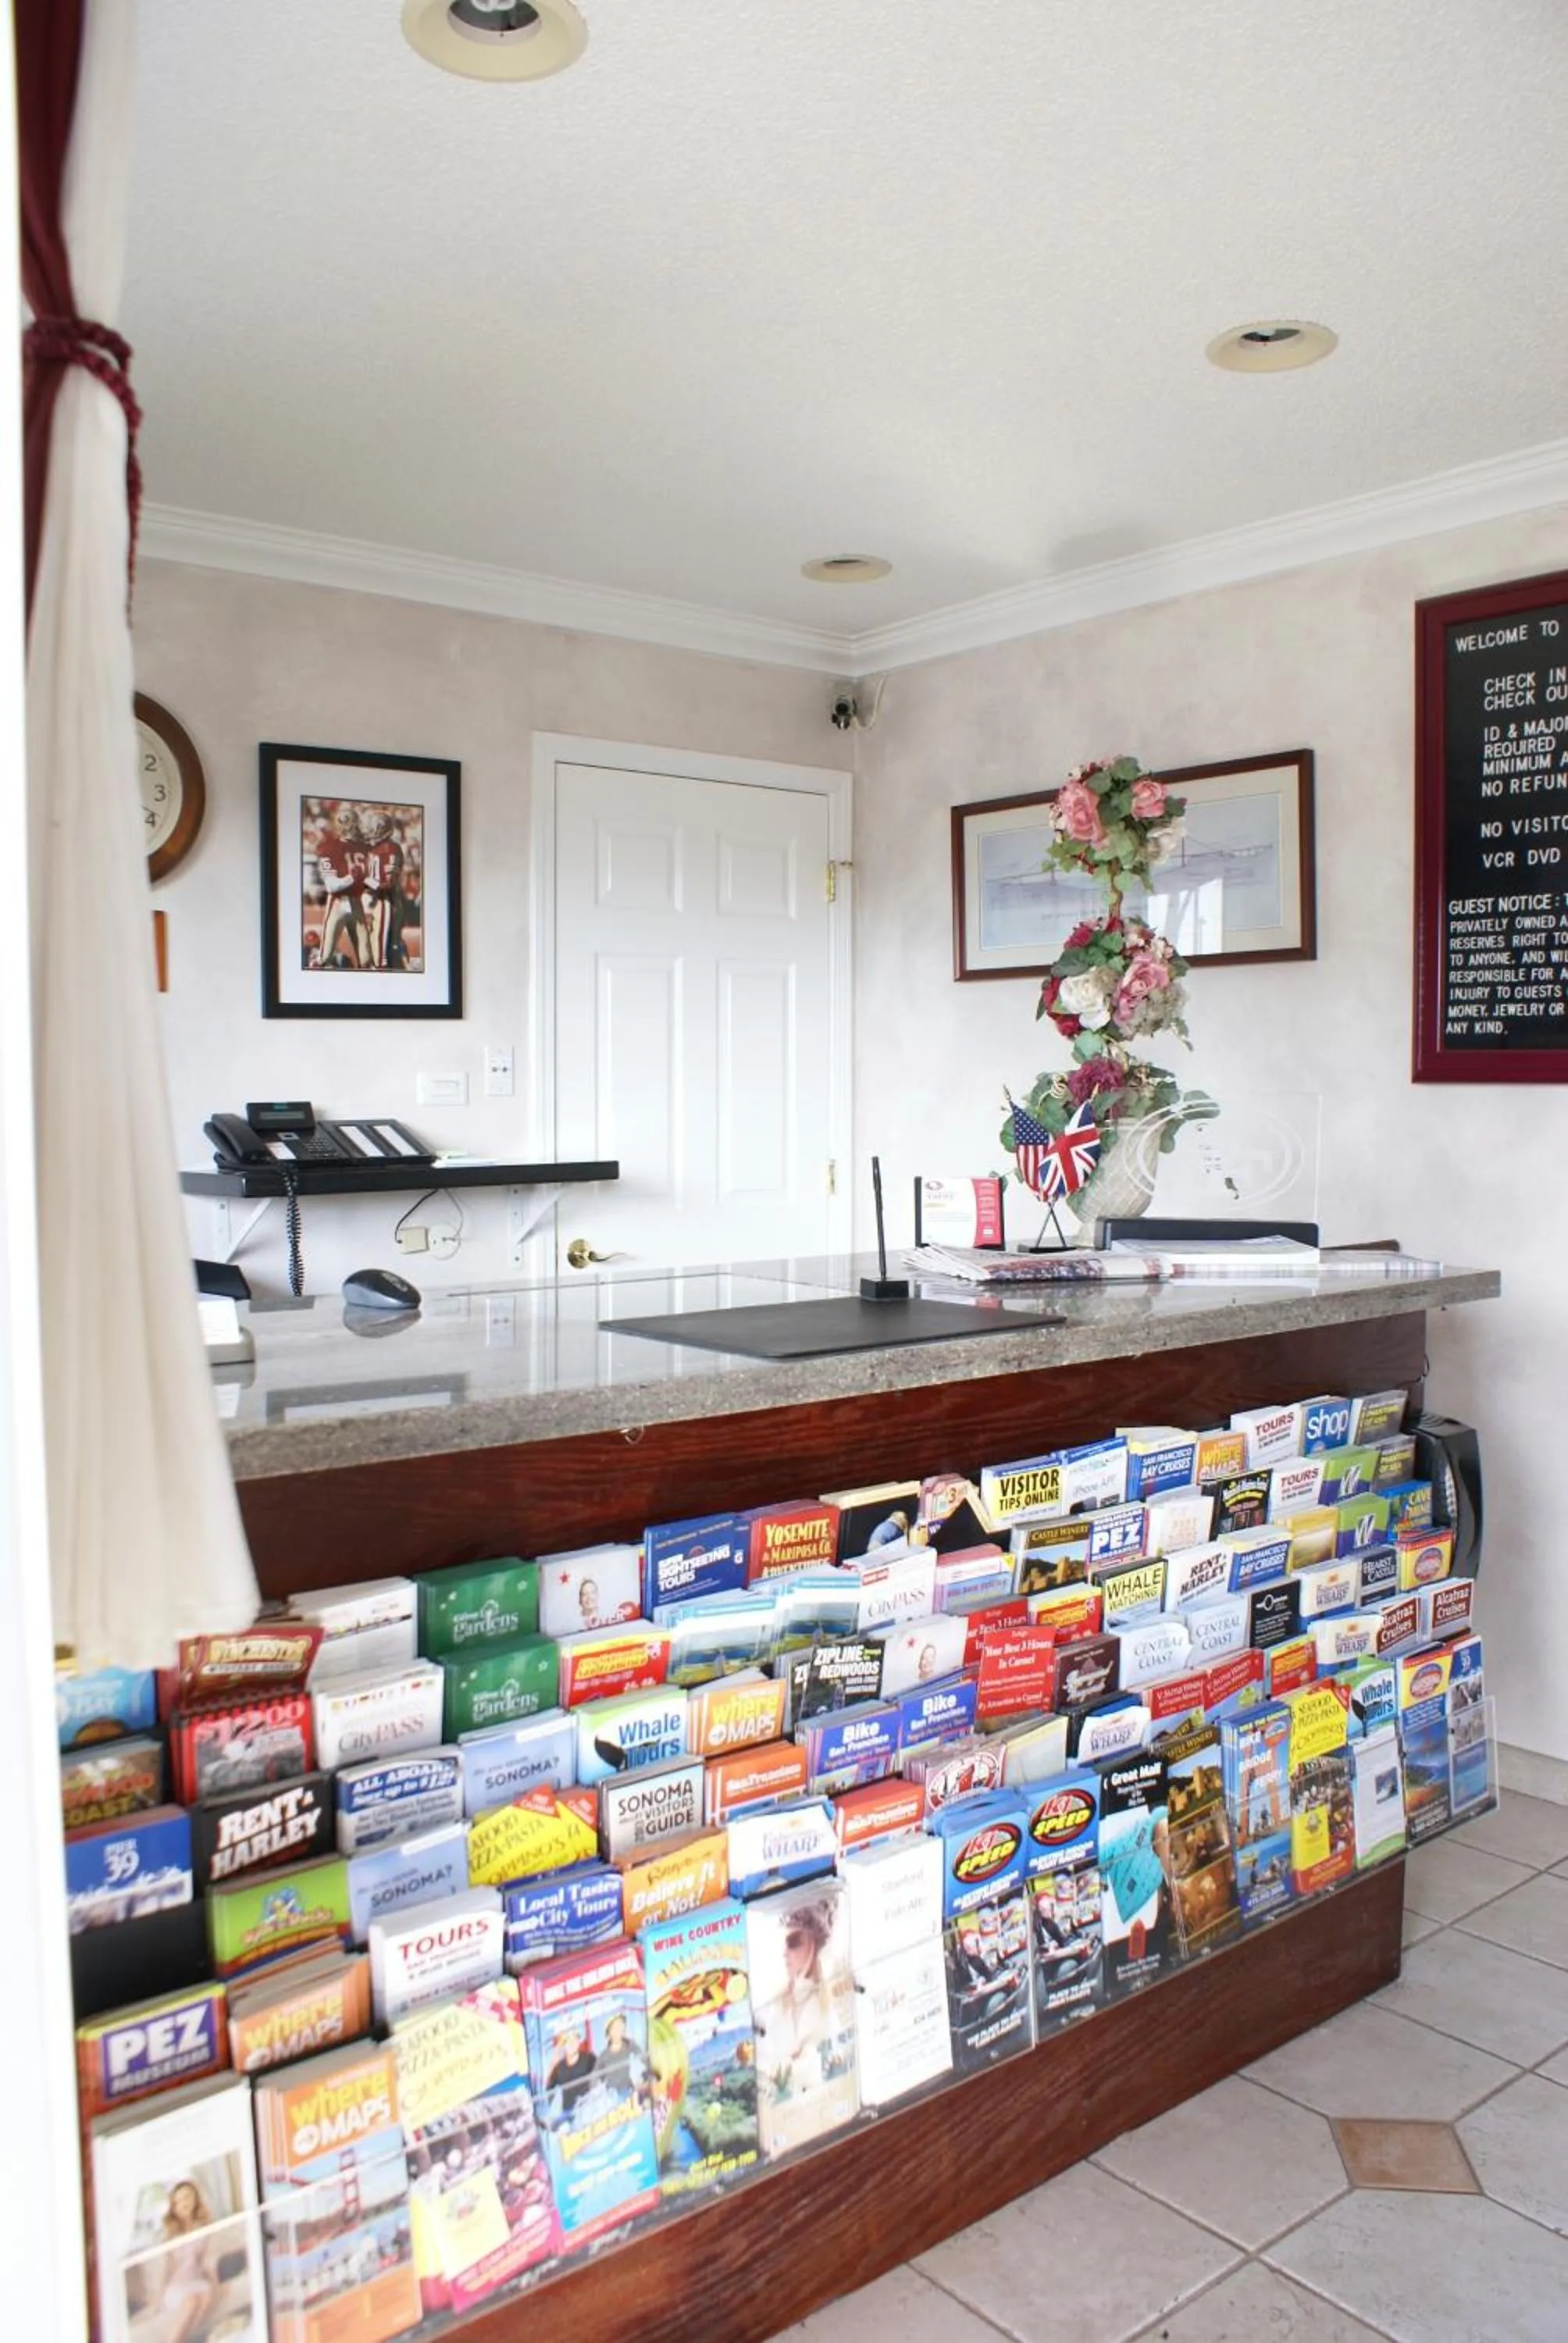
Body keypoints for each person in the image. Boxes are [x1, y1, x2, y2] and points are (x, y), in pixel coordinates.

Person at [148, 2178, 222, 2343]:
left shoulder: (204, 2228)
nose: (184, 2203)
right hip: (177, 2286)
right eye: (179, 2201)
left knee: (207, 2294)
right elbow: (167, 2270)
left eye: (187, 2197)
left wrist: (215, 2283)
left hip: (196, 2279)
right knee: (192, 2301)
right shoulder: (171, 2235)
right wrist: (156, 2302)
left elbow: (208, 2261)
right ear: (173, 2207)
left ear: (195, 2199)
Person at [315, 802, 364, 970]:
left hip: (358, 903)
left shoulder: (364, 847)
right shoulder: (329, 847)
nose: (347, 827)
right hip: (338, 903)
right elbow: (331, 886)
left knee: (366, 959)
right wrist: (352, 878)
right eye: (344, 822)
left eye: (348, 822)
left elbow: (370, 879)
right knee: (324, 956)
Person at [358, 808, 404, 971]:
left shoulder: (391, 849)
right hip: (368, 899)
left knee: (381, 952)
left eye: (370, 827)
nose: (366, 830)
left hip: (385, 900)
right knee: (364, 951)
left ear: (380, 828)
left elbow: (389, 884)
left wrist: (365, 880)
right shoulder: (371, 848)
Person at [543, 2025, 596, 2118]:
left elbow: (604, 2077)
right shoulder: (559, 2068)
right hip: (569, 2115)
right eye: (567, 2040)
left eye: (575, 2039)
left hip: (589, 2110)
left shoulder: (590, 2059)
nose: (571, 2043)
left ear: (579, 2041)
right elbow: (548, 2092)